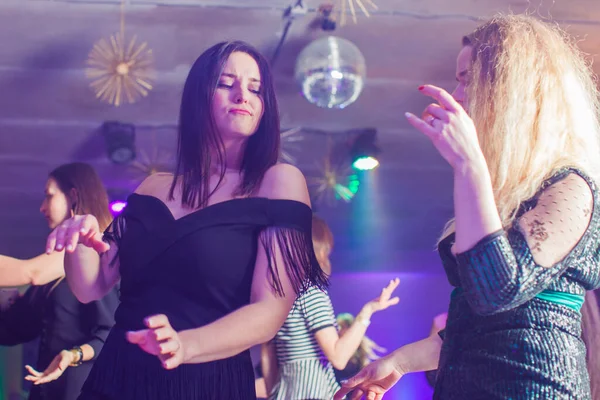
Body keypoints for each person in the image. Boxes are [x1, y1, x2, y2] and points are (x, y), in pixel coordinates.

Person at [336, 14, 600, 400]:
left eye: (466, 79)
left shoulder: (570, 186)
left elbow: (496, 292)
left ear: (512, 87)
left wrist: (468, 164)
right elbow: (481, 325)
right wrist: (400, 361)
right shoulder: (506, 194)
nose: (457, 96)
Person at [46, 41, 328, 400]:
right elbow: (91, 287)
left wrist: (185, 345)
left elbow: (269, 312)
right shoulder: (153, 187)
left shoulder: (279, 182)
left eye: (255, 88)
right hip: (117, 376)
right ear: (198, 97)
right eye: (227, 83)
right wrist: (79, 241)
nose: (243, 94)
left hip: (207, 380)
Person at [0, 162, 119, 400]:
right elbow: (18, 327)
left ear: (73, 196)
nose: (42, 207)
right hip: (47, 388)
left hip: (81, 389)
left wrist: (75, 354)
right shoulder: (52, 276)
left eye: (49, 196)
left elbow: (29, 272)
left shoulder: (95, 250)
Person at [263, 215, 399, 399]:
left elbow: (267, 355)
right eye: (327, 249)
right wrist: (367, 311)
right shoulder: (310, 290)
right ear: (318, 250)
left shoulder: (278, 293)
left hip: (286, 391)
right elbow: (339, 357)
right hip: (314, 392)